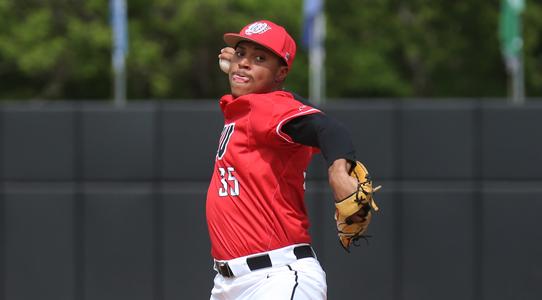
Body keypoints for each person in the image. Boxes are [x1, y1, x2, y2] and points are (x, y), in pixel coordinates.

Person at [207, 20, 363, 300]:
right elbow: (307, 111)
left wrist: (339, 170)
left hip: (275, 278)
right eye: (240, 53)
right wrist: (253, 71)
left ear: (280, 73)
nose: (243, 63)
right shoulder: (250, 108)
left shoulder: (266, 107)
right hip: (229, 284)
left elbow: (329, 129)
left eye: (259, 58)